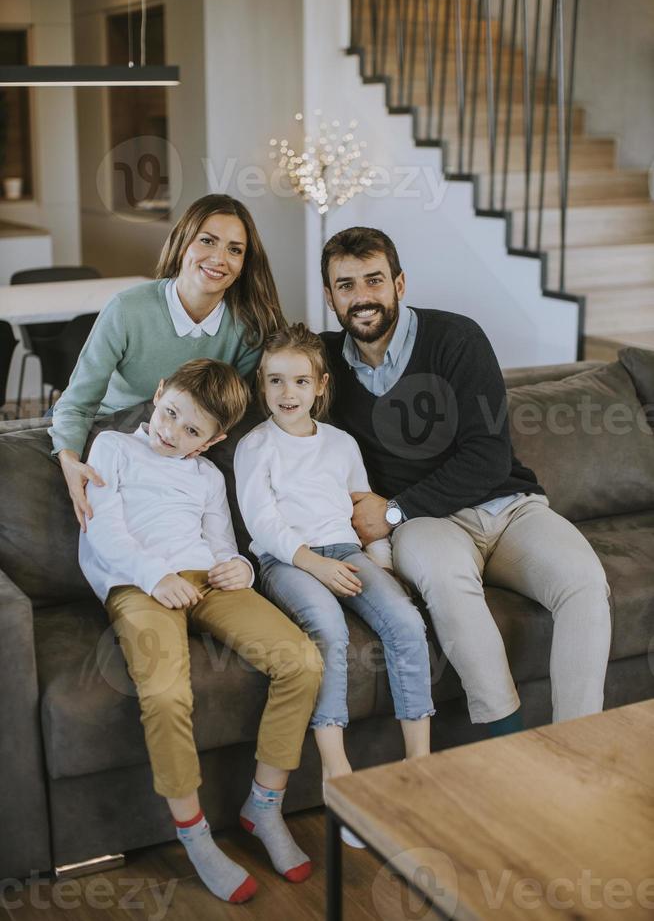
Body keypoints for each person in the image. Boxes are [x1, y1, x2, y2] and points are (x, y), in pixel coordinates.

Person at [320, 226, 612, 735]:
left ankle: (578, 742)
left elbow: (489, 456)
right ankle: (505, 736)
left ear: (400, 284)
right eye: (346, 286)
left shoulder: (456, 338)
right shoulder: (323, 364)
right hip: (428, 525)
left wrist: (391, 512)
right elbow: (262, 362)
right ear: (330, 297)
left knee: (585, 583)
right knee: (447, 581)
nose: (362, 298)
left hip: (504, 507)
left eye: (374, 280)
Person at [79, 358, 323, 904]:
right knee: (165, 692)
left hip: (207, 582)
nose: (171, 433)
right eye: (169, 415)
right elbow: (104, 532)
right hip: (139, 584)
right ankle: (196, 836)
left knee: (302, 661)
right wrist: (155, 578)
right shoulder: (113, 449)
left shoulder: (209, 476)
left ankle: (263, 808)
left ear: (215, 440)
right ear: (160, 393)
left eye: (192, 430)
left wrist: (240, 566)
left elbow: (219, 543)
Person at [234, 324, 434, 846]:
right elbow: (262, 524)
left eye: (300, 382)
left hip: (346, 552)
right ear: (262, 384)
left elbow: (361, 507)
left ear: (320, 384)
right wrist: (312, 565)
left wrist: (382, 564)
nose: (287, 394)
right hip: (286, 562)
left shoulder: (341, 443)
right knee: (327, 628)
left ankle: (420, 765)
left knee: (406, 622)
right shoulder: (256, 446)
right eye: (275, 381)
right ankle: (337, 773)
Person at [50, 193, 285, 531]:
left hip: (187, 441)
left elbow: (236, 411)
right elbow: (76, 403)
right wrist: (69, 460)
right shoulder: (128, 309)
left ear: (245, 263)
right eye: (207, 241)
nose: (219, 258)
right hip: (114, 428)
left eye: (234, 249)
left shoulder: (250, 327)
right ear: (182, 243)